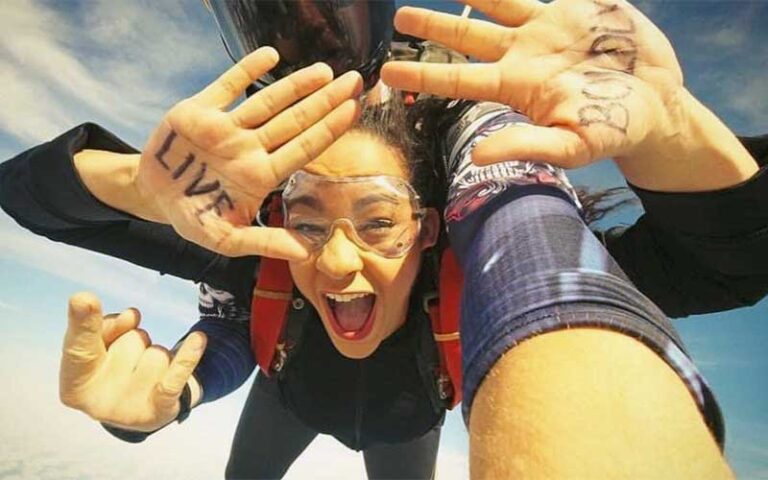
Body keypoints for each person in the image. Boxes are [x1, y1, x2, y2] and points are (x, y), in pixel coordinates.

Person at [2, 0, 767, 479]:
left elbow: (730, 266)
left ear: (429, 222)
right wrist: (170, 393)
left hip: (398, 425)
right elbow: (26, 198)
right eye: (307, 219)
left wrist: (670, 126)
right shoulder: (268, 249)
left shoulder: (468, 263)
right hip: (296, 399)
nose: (333, 261)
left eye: (377, 220)